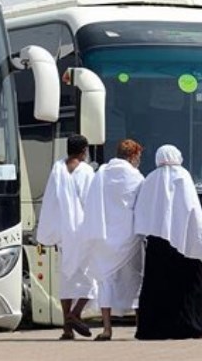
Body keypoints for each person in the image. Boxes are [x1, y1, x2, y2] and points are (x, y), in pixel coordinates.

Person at [134, 145, 202, 340]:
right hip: (184, 238)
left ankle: (154, 329)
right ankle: (193, 326)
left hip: (157, 242)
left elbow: (143, 211)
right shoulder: (182, 176)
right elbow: (192, 209)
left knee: (158, 286)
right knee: (191, 283)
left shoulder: (150, 179)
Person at [78, 139, 145, 341]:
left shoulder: (102, 173)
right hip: (130, 238)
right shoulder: (136, 177)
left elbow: (91, 201)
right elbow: (141, 205)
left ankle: (107, 329)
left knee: (106, 282)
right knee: (136, 282)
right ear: (133, 156)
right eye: (138, 157)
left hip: (104, 237)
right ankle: (140, 328)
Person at [36, 134, 96, 340]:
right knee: (91, 277)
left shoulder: (57, 169)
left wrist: (51, 230)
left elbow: (50, 201)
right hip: (82, 232)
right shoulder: (87, 171)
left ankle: (67, 329)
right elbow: (91, 201)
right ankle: (74, 314)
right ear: (84, 151)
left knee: (66, 279)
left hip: (63, 233)